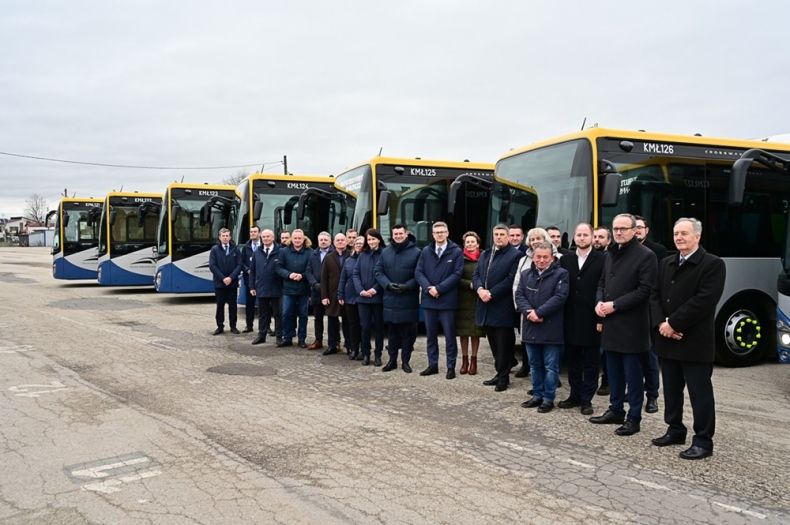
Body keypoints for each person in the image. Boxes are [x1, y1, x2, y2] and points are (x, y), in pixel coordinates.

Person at [650, 218, 725, 460]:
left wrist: (673, 323)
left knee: (699, 393)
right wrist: (662, 324)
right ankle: (675, 429)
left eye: (684, 233)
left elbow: (704, 301)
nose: (679, 237)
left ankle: (703, 441)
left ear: (697, 236)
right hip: (668, 338)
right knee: (671, 390)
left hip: (694, 342)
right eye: (676, 233)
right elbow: (654, 296)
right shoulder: (666, 262)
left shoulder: (713, 264)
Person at [590, 214, 657, 436]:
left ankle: (634, 417)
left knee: (633, 376)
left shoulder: (646, 256)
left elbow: (645, 290)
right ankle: (615, 409)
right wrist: (599, 302)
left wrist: (615, 305)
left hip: (632, 327)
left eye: (623, 228)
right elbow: (601, 282)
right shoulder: (610, 253)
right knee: (614, 373)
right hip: (610, 325)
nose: (618, 232)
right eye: (615, 228)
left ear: (634, 230)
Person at [516, 242, 569, 412]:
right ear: (533, 256)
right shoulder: (525, 274)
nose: (541, 260)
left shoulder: (561, 274)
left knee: (550, 367)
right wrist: (529, 312)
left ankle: (548, 398)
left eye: (545, 257)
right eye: (538, 256)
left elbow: (560, 297)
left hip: (550, 329)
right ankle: (537, 395)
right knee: (534, 365)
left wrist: (539, 313)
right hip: (531, 326)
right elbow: (519, 296)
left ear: (552, 258)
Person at [558, 223, 605, 415]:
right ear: (574, 238)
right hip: (570, 318)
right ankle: (574, 395)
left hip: (592, 318)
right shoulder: (566, 260)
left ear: (592, 237)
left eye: (586, 234)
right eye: (579, 235)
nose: (582, 238)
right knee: (573, 360)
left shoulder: (602, 259)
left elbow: (605, 287)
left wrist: (601, 320)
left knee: (591, 362)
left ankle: (587, 399)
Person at [473, 224, 522, 392]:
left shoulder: (515, 256)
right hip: (485, 306)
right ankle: (499, 372)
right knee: (493, 344)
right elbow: (476, 275)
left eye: (502, 234)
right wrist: (479, 289)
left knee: (504, 345)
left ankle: (504, 377)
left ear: (508, 237)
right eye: (496, 234)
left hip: (502, 307)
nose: (499, 237)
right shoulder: (485, 254)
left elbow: (511, 279)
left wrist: (491, 293)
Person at [415, 222, 463, 379]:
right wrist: (429, 288)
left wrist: (439, 289)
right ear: (432, 234)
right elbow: (419, 272)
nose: (440, 234)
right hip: (429, 300)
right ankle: (432, 364)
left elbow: (457, 274)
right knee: (431, 335)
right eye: (436, 232)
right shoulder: (426, 251)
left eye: (442, 231)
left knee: (449, 335)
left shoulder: (456, 252)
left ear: (448, 233)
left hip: (447, 300)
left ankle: (451, 367)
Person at [512, 227, 558, 379]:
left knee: (550, 357)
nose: (535, 242)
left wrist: (540, 312)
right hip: (527, 312)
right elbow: (517, 286)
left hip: (549, 315)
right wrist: (524, 309)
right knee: (529, 348)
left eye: (539, 238)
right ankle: (532, 376)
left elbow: (559, 291)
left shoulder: (558, 257)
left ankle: (550, 383)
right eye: (532, 239)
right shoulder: (523, 260)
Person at [374, 224, 421, 373]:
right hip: (390, 299)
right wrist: (387, 285)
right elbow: (378, 271)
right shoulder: (385, 252)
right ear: (392, 235)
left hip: (408, 298)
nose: (398, 236)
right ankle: (392, 361)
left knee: (408, 334)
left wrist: (407, 286)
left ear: (406, 234)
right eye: (395, 234)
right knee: (392, 334)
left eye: (400, 233)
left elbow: (419, 274)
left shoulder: (416, 252)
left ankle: (406, 361)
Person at [635, 215, 667, 414]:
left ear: (647, 230)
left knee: (650, 357)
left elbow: (659, 284)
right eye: (634, 227)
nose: (637, 230)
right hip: (629, 314)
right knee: (632, 358)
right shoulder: (621, 251)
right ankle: (635, 392)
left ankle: (652, 395)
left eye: (640, 227)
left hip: (648, 312)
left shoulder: (658, 251)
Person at [274, 229, 313, 348]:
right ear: (292, 239)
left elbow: (311, 269)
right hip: (288, 289)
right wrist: (289, 274)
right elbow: (278, 268)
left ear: (303, 239)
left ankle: (302, 339)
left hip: (303, 289)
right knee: (286, 314)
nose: (297, 240)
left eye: (299, 238)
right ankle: (287, 338)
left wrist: (302, 275)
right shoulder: (283, 251)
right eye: (295, 238)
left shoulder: (310, 252)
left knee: (303, 315)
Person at [353, 229, 385, 366]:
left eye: (373, 239)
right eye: (369, 239)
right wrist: (360, 290)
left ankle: (378, 355)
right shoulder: (362, 255)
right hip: (363, 299)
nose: (371, 242)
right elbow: (355, 274)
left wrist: (374, 289)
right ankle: (366, 353)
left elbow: (385, 274)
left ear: (379, 239)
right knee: (365, 327)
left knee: (379, 328)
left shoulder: (384, 254)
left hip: (378, 298)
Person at [456, 231, 485, 375]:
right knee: (463, 333)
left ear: (478, 244)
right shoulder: (459, 258)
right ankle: (464, 360)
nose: (470, 244)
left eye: (473, 242)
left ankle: (474, 361)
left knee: (475, 333)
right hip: (463, 299)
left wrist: (479, 286)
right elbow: (455, 277)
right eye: (467, 242)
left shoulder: (484, 258)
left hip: (478, 300)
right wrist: (470, 285)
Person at [249, 229, 282, 345]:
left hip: (277, 288)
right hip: (261, 288)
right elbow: (252, 271)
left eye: (268, 236)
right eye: (264, 237)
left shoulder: (280, 252)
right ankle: (261, 335)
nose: (266, 239)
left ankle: (279, 337)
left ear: (273, 238)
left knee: (278, 314)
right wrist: (252, 286)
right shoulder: (257, 252)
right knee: (263, 314)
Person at [208, 228, 242, 335]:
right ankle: (220, 326)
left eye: (227, 236)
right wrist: (223, 278)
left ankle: (233, 326)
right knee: (220, 306)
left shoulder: (235, 249)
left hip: (232, 283)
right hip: (220, 283)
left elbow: (239, 265)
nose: (225, 237)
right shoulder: (215, 249)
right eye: (223, 236)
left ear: (230, 237)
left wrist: (231, 277)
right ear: (219, 237)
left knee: (233, 306)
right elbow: (212, 266)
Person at [319, 233, 347, 355]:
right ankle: (332, 345)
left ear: (346, 242)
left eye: (342, 240)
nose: (340, 242)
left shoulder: (351, 255)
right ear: (334, 243)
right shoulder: (329, 257)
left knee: (348, 321)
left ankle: (350, 345)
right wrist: (324, 296)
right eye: (338, 240)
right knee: (332, 321)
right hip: (331, 294)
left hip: (347, 294)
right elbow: (323, 278)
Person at [338, 236, 365, 360]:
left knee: (363, 324)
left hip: (364, 296)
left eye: (361, 243)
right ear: (353, 245)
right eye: (357, 243)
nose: (359, 245)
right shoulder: (348, 260)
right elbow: (343, 279)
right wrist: (340, 294)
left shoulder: (367, 258)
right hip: (349, 297)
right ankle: (354, 348)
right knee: (352, 324)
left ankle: (364, 349)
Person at [306, 231, 333, 350]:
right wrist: (314, 283)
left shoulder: (334, 253)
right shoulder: (313, 254)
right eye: (321, 240)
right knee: (318, 318)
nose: (323, 241)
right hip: (317, 291)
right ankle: (318, 340)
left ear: (330, 241)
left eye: (325, 240)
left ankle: (334, 342)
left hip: (331, 291)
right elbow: (308, 271)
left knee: (333, 318)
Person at [592, 225, 611, 396]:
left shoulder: (608, 258)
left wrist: (601, 319)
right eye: (595, 236)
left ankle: (606, 382)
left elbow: (604, 287)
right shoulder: (589, 257)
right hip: (591, 309)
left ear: (608, 241)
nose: (597, 239)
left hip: (603, 311)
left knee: (604, 351)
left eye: (601, 237)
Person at [240, 225, 262, 333]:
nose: (252, 233)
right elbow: (241, 262)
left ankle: (266, 327)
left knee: (264, 304)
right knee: (250, 304)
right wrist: (247, 269)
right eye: (251, 232)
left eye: (255, 232)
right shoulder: (246, 247)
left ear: (259, 233)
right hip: (249, 279)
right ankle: (249, 326)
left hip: (263, 279)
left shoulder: (264, 245)